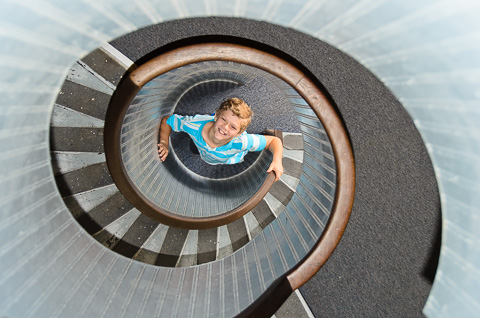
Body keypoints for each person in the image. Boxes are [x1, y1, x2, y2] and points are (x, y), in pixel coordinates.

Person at [157, 97, 284, 181]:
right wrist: (164, 142)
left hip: (231, 156)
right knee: (194, 148)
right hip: (201, 146)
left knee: (235, 154)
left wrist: (277, 160)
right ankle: (206, 133)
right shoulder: (193, 125)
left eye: (233, 127)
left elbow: (273, 141)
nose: (225, 127)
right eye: (223, 119)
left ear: (239, 133)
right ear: (217, 115)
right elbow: (167, 121)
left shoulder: (242, 142)